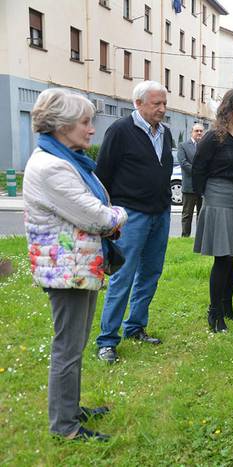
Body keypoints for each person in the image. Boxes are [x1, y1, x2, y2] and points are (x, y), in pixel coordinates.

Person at [24, 89, 128, 440]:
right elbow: (96, 216)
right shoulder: (52, 166)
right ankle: (65, 427)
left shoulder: (68, 159)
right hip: (65, 269)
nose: (91, 130)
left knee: (75, 343)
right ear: (61, 126)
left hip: (78, 266)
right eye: (85, 122)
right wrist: (120, 215)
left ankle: (70, 409)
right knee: (67, 347)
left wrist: (109, 216)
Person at [95, 81, 173, 363]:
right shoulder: (119, 131)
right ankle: (107, 341)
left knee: (151, 272)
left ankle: (136, 326)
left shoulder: (165, 133)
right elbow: (102, 175)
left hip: (160, 213)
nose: (162, 109)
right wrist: (109, 214)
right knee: (122, 277)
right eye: (156, 104)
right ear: (138, 104)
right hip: (131, 215)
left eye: (164, 103)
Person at [192, 89, 233, 332]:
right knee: (224, 256)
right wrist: (207, 197)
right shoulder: (213, 137)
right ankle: (214, 313)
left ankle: (227, 305)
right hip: (218, 196)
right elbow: (198, 169)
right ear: (228, 109)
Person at [177, 123, 204, 237]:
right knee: (187, 214)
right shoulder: (183, 146)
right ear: (191, 132)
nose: (199, 133)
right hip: (189, 186)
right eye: (196, 131)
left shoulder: (205, 146)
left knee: (202, 214)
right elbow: (183, 163)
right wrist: (198, 172)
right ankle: (185, 236)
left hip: (203, 187)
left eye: (201, 131)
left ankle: (200, 237)